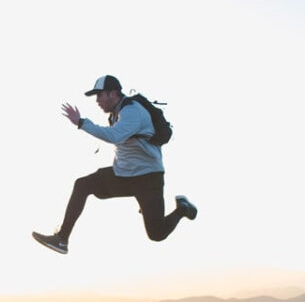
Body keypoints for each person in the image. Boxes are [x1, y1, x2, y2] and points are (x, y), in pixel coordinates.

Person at [32, 75, 197, 254]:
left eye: (99, 95)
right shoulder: (116, 114)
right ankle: (62, 239)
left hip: (148, 179)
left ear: (113, 93)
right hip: (123, 176)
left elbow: (114, 136)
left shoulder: (132, 111)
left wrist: (81, 123)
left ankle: (182, 209)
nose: (97, 101)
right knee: (83, 184)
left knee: (156, 234)